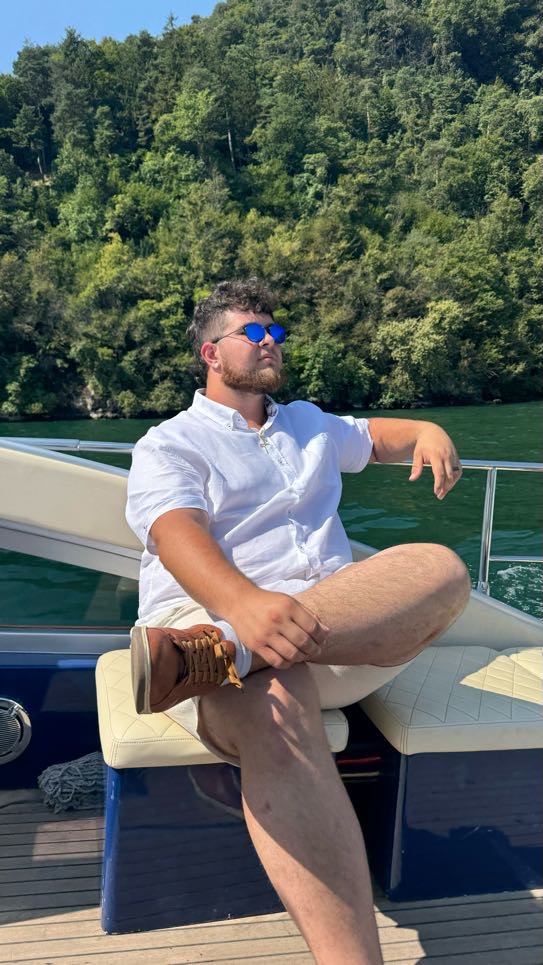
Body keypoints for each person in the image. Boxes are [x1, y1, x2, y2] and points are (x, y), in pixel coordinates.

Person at [126, 278, 471, 964]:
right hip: (211, 610)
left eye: (275, 332)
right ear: (210, 353)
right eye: (253, 333)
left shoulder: (310, 422)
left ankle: (220, 653)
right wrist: (242, 606)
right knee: (277, 699)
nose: (270, 343)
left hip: (316, 631)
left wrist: (427, 431)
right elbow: (175, 532)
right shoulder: (170, 444)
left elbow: (376, 438)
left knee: (441, 568)